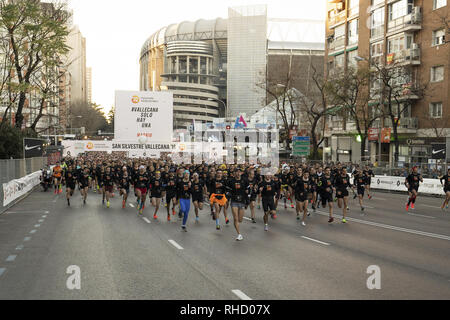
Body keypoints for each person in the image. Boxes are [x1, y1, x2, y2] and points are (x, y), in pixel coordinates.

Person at [227, 168, 249, 241]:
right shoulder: (231, 181)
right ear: (234, 173)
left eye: (239, 172)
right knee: (235, 218)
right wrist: (227, 198)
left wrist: (247, 201)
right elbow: (228, 191)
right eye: (236, 172)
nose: (238, 173)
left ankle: (238, 226)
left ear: (241, 173)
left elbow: (248, 191)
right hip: (234, 201)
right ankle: (239, 234)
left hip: (242, 201)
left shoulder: (244, 181)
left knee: (240, 219)